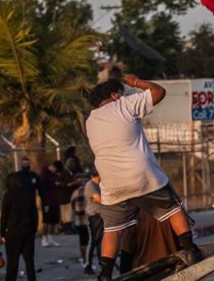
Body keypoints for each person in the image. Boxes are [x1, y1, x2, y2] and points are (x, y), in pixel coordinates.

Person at [86, 74, 202, 280]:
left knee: (112, 230)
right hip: (142, 175)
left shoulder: (91, 120)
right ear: (114, 95)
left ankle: (104, 275)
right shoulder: (124, 104)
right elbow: (159, 92)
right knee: (173, 208)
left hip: (111, 182)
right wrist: (136, 83)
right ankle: (190, 249)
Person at [0, 172, 38, 281]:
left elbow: (4, 216)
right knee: (29, 261)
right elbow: (34, 213)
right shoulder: (29, 194)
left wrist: (2, 232)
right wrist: (34, 229)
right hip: (27, 230)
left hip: (13, 232)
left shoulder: (8, 196)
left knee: (12, 262)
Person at [118, 210, 180, 274]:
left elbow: (126, 255)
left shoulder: (133, 217)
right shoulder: (171, 212)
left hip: (144, 273)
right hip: (171, 269)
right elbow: (183, 244)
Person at [84, 169, 103, 276]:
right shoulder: (90, 185)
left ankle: (102, 263)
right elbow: (98, 198)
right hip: (93, 215)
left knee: (100, 241)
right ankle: (88, 265)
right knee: (93, 241)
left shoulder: (99, 185)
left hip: (100, 215)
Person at [39, 161, 62, 247]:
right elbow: (43, 186)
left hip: (55, 200)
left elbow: (59, 184)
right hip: (47, 201)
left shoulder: (55, 175)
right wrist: (54, 184)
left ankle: (50, 237)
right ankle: (44, 238)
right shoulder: (44, 173)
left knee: (54, 220)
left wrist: (58, 184)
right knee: (47, 220)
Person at [70, 175, 89, 269]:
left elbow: (72, 206)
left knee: (82, 241)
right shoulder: (89, 191)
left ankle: (84, 258)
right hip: (88, 220)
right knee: (90, 241)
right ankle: (88, 261)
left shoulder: (75, 193)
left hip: (79, 220)